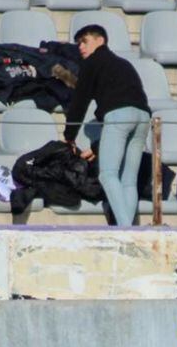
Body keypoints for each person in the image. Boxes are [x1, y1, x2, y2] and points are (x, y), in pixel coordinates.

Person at [62, 24, 150, 227]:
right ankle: (131, 229)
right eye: (78, 44)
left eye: (85, 41)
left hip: (119, 116)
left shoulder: (92, 63)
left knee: (107, 175)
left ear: (100, 40)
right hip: (143, 117)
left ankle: (125, 230)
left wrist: (69, 135)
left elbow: (79, 101)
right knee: (128, 180)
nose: (81, 47)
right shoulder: (124, 63)